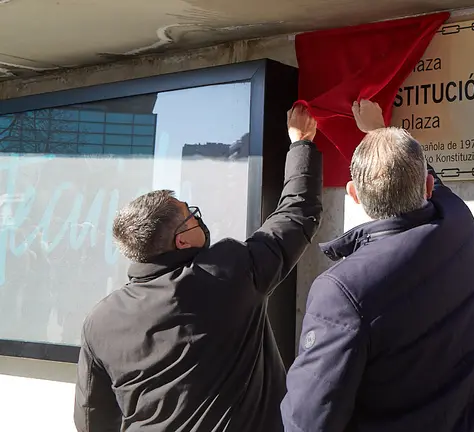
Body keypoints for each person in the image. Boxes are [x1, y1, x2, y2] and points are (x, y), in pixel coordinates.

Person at [73, 104, 323, 432]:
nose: (197, 217)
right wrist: (301, 142)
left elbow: (90, 418)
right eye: (190, 215)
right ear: (181, 241)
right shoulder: (226, 274)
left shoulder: (100, 320)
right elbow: (296, 215)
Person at [281, 100, 474, 432]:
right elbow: (434, 183)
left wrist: (301, 143)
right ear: (426, 186)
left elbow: (308, 420)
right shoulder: (459, 223)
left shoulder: (342, 291)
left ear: (354, 195)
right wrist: (380, 130)